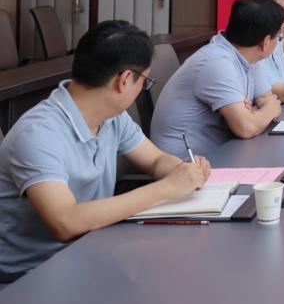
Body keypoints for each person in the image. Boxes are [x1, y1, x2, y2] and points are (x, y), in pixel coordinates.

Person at [0, 21, 211, 282]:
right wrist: (166, 188)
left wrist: (182, 171)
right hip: (31, 275)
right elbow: (65, 222)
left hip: (91, 250)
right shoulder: (38, 135)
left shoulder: (112, 117)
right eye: (145, 81)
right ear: (124, 80)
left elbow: (155, 159)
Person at [150, 0, 284, 157]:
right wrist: (268, 111)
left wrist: (258, 114)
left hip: (221, 152)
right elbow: (246, 127)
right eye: (278, 37)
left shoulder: (248, 56)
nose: (278, 41)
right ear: (266, 42)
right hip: (185, 163)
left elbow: (265, 98)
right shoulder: (217, 63)